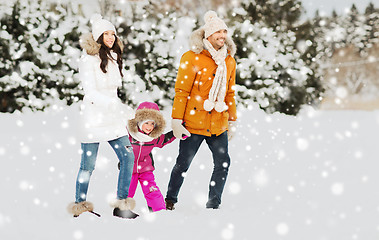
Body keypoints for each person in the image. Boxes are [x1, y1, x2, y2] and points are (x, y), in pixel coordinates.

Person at [67, 14, 138, 219]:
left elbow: (112, 91)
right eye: (106, 34)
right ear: (97, 37)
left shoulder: (114, 58)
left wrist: (120, 108)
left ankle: (122, 205)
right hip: (93, 119)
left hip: (113, 119)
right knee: (87, 166)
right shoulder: (87, 60)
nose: (110, 37)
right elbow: (90, 92)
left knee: (128, 156)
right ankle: (81, 206)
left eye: (112, 33)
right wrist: (113, 104)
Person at [165, 10, 237, 210]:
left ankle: (214, 204)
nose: (222, 36)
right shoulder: (191, 57)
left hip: (218, 123)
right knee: (182, 165)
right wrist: (177, 120)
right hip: (194, 123)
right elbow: (182, 91)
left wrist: (231, 120)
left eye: (224, 31)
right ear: (208, 35)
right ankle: (170, 200)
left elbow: (229, 92)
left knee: (223, 163)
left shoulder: (229, 61)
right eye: (218, 32)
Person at [124, 101, 176, 212]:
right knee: (127, 191)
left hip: (145, 169)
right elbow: (118, 141)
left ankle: (158, 209)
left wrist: (176, 133)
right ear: (139, 121)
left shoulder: (153, 137)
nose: (149, 127)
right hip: (129, 168)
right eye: (146, 123)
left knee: (152, 190)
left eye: (152, 124)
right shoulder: (129, 133)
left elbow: (164, 140)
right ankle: (123, 209)